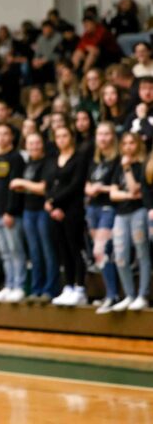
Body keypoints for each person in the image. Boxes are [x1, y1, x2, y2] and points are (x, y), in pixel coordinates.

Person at [9, 133, 58, 302]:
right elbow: (30, 187)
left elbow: (44, 188)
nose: (34, 146)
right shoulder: (28, 164)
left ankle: (50, 289)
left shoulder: (48, 162)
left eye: (37, 143)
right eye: (30, 144)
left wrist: (22, 183)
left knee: (48, 251)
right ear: (26, 146)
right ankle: (36, 289)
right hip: (28, 211)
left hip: (42, 211)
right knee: (34, 253)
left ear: (42, 144)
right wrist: (24, 187)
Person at [46, 126, 90, 307]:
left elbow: (76, 185)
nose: (61, 139)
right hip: (56, 211)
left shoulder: (79, 158)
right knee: (62, 248)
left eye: (65, 135)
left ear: (71, 137)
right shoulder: (53, 159)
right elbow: (49, 183)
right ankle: (69, 286)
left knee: (74, 247)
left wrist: (54, 201)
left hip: (72, 209)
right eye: (58, 136)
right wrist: (50, 203)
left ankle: (80, 288)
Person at [0, 124, 26, 303]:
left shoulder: (16, 158)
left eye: (5, 134)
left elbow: (16, 187)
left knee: (16, 250)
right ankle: (9, 284)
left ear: (12, 137)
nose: (1, 137)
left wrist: (10, 211)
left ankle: (19, 285)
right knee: (4, 252)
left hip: (10, 213)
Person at [109, 133, 150, 312]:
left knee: (142, 253)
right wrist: (127, 195)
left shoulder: (142, 165)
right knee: (120, 255)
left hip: (138, 212)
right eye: (124, 143)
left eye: (132, 143)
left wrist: (127, 169)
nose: (128, 146)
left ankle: (142, 295)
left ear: (138, 144)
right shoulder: (119, 166)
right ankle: (129, 295)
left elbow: (135, 189)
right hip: (121, 214)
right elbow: (113, 194)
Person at [85, 122, 120, 314]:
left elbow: (118, 185)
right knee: (100, 255)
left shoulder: (118, 159)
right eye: (100, 134)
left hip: (109, 208)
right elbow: (88, 181)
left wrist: (101, 188)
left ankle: (113, 295)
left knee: (100, 250)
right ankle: (110, 294)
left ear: (113, 136)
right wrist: (89, 188)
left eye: (107, 134)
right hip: (93, 208)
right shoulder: (95, 159)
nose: (103, 138)